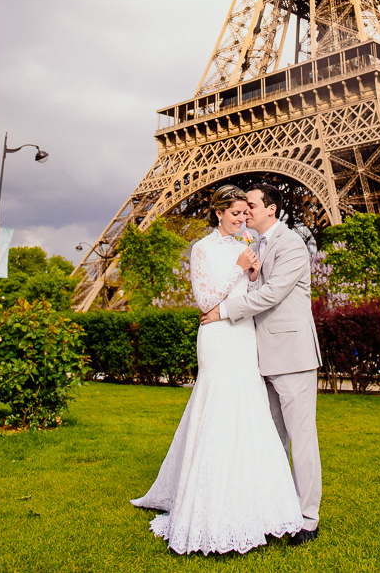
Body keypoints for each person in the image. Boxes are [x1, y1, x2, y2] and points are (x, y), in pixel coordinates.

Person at [129, 184, 303, 555]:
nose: (244, 218)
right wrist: (239, 269)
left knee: (248, 414)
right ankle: (209, 505)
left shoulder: (246, 247)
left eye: (246, 212)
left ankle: (253, 505)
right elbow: (205, 301)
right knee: (220, 412)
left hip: (244, 338)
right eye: (237, 213)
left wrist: (251, 272)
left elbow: (250, 294)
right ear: (218, 213)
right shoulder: (203, 248)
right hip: (218, 338)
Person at [200, 182, 322, 545]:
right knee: (268, 441)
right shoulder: (252, 244)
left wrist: (222, 311)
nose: (246, 210)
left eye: (251, 204)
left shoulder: (291, 245)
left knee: (300, 441)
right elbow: (254, 288)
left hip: (292, 356)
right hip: (257, 356)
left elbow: (272, 295)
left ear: (271, 209)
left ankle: (308, 518)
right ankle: (273, 509)